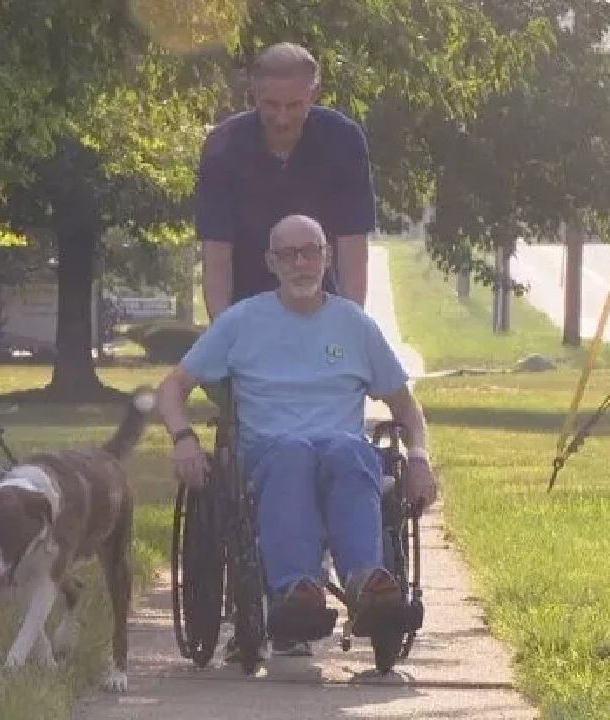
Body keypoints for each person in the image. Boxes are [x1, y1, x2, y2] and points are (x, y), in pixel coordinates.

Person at [155, 214, 439, 658]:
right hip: (270, 452)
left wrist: (420, 458)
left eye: (310, 251)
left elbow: (405, 406)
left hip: (341, 455)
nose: (300, 263)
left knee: (350, 450)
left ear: (326, 257)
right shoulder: (241, 321)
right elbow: (173, 387)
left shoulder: (355, 325)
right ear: (271, 261)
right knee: (295, 451)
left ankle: (368, 583)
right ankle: (295, 592)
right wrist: (183, 438)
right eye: (288, 254)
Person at [195, 42, 376, 320]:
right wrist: (224, 336)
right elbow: (216, 259)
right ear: (253, 93)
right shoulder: (224, 147)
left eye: (293, 106)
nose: (282, 119)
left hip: (323, 312)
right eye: (271, 105)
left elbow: (353, 254)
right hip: (247, 313)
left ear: (313, 94)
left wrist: (348, 332)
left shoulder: (344, 141)